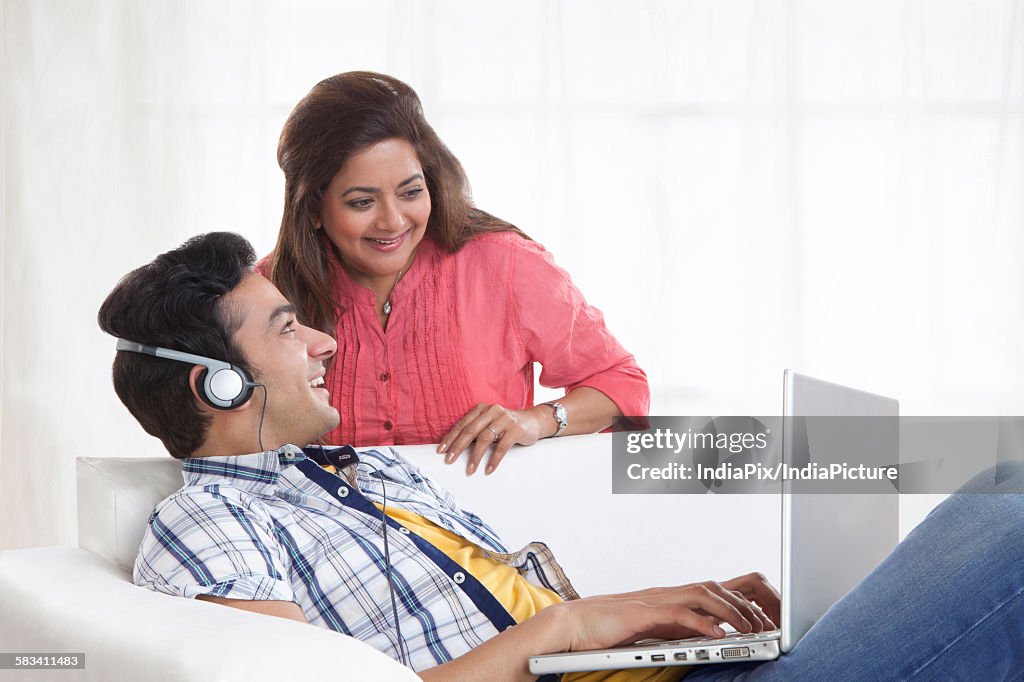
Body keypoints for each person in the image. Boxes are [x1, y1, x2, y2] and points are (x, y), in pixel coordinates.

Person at [99, 232, 1024, 681]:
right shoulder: (209, 524)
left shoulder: (367, 472)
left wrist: (659, 621)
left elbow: (523, 628)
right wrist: (571, 630)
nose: (323, 343)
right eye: (286, 327)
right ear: (216, 386)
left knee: (1004, 480)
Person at [261, 71, 649, 475]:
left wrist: (537, 419)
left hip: (488, 529)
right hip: (329, 534)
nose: (393, 221)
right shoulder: (266, 295)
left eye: (411, 192)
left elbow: (622, 385)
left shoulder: (504, 265)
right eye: (362, 202)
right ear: (312, 209)